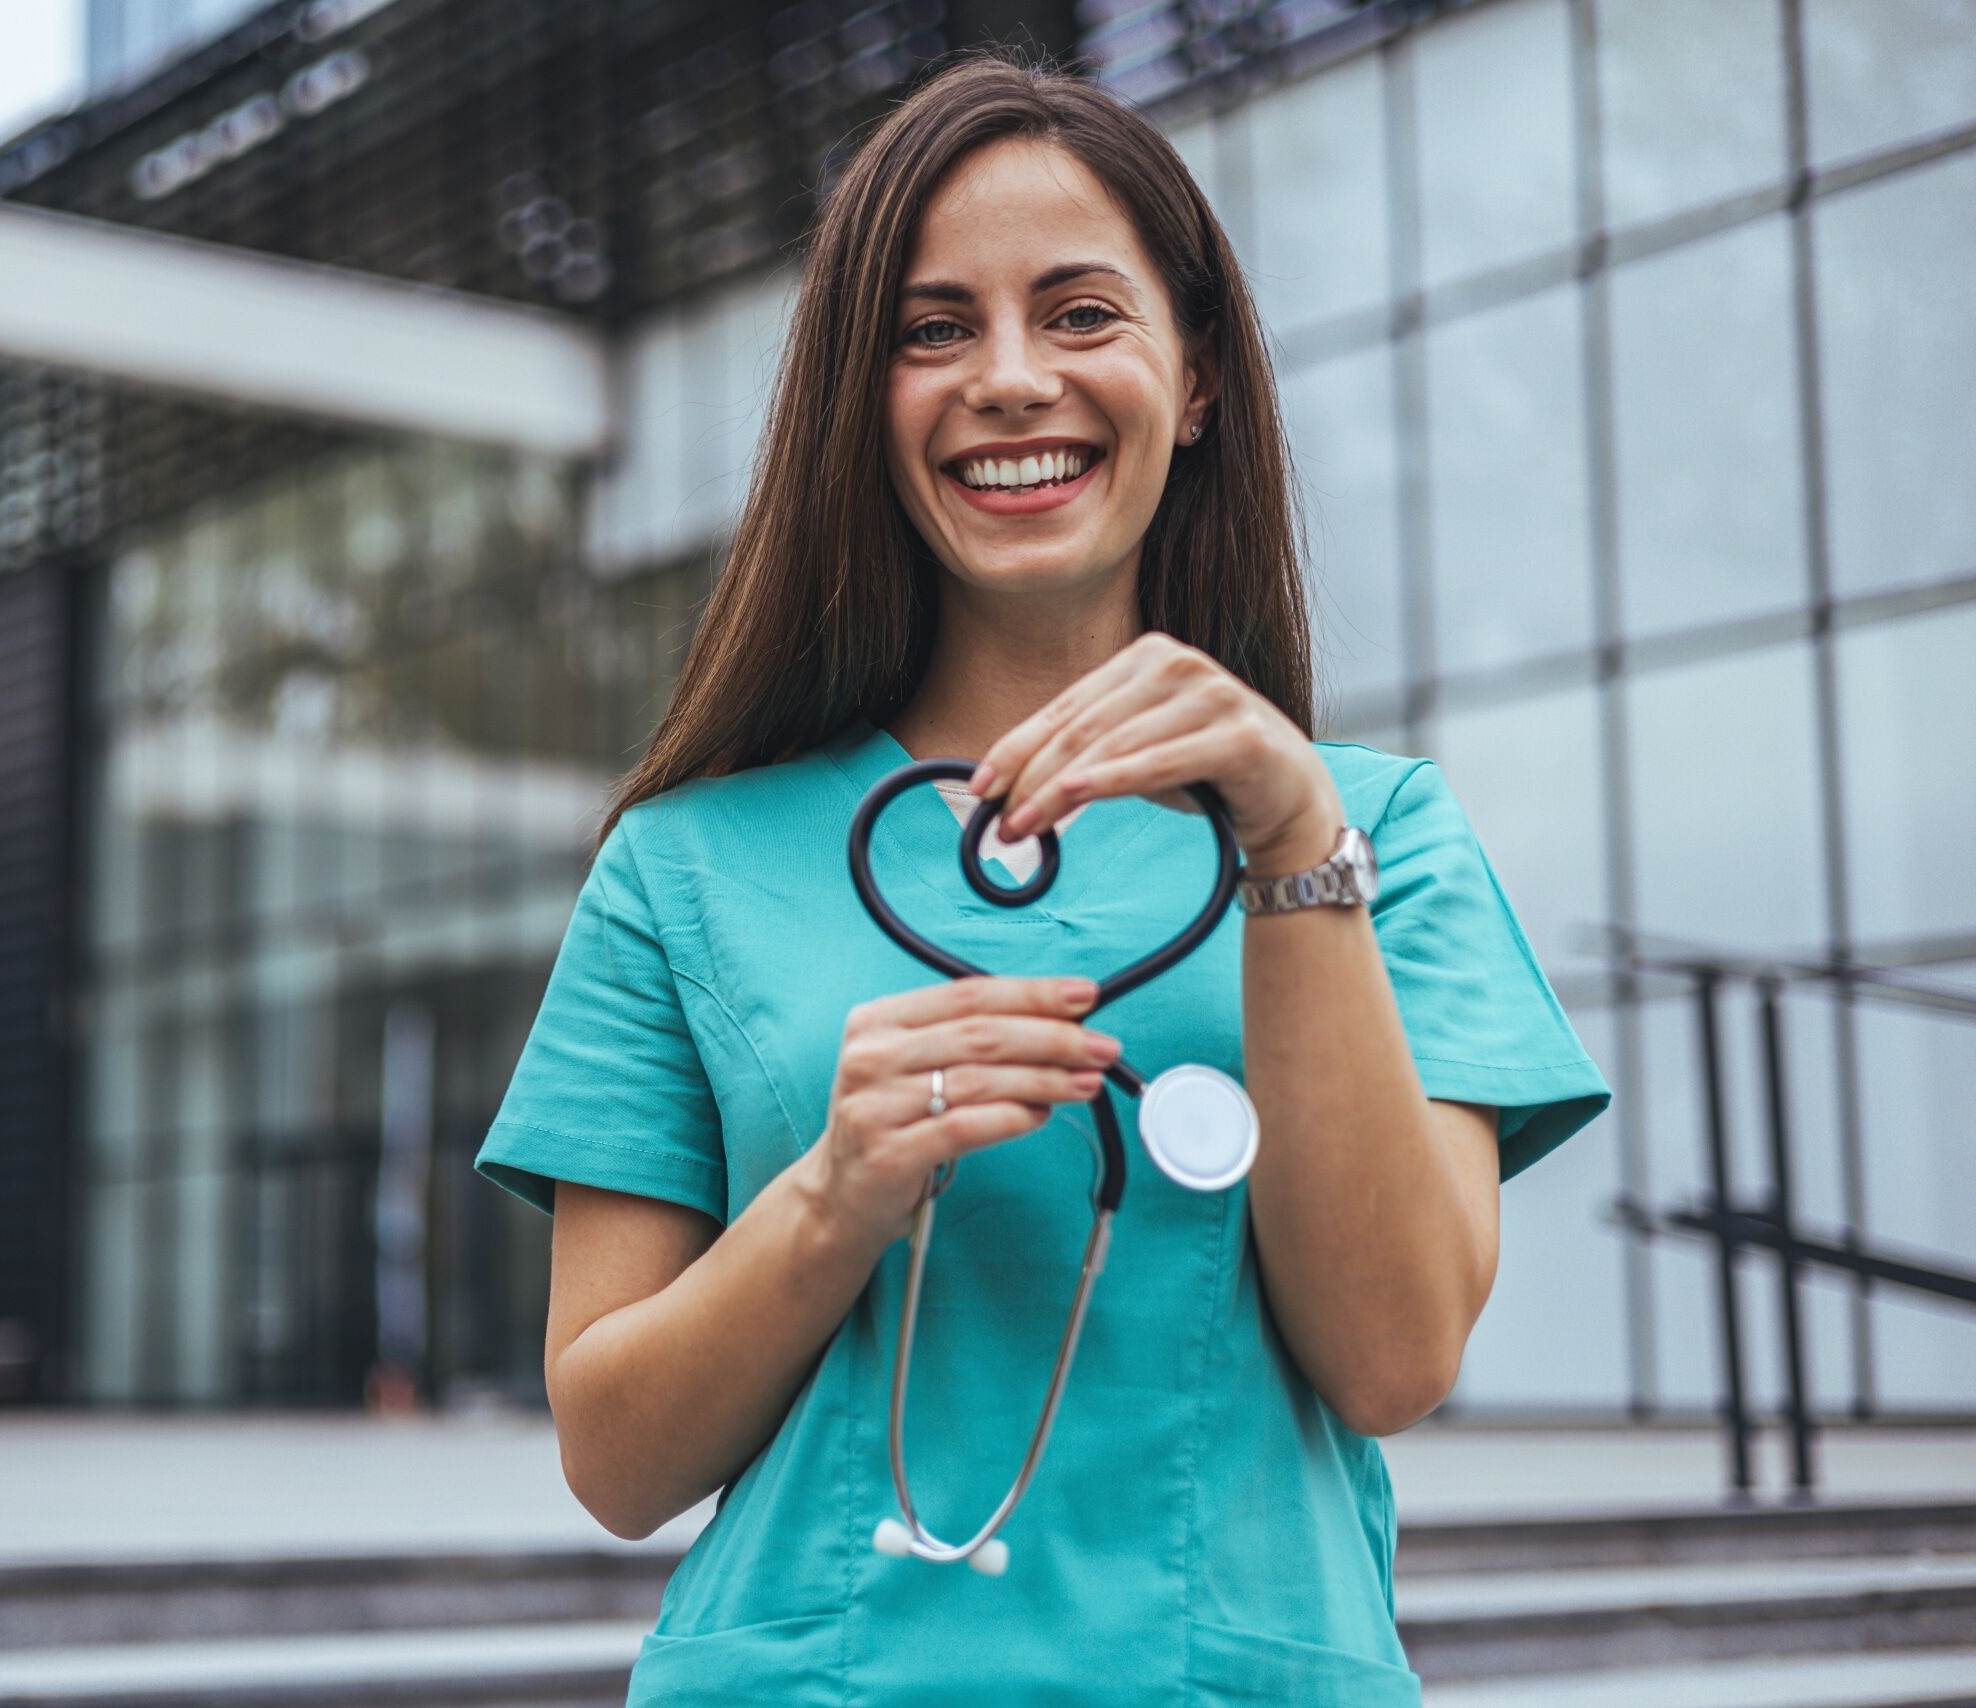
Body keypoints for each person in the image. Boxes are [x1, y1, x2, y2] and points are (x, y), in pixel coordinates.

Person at [473, 47, 1612, 1707]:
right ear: (862, 399)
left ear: (1197, 376)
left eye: (1082, 314)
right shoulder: (682, 866)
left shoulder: (1379, 837)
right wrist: (833, 1191)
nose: (1009, 379)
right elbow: (616, 1458)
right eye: (935, 330)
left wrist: (1294, 842)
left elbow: (1392, 1359)